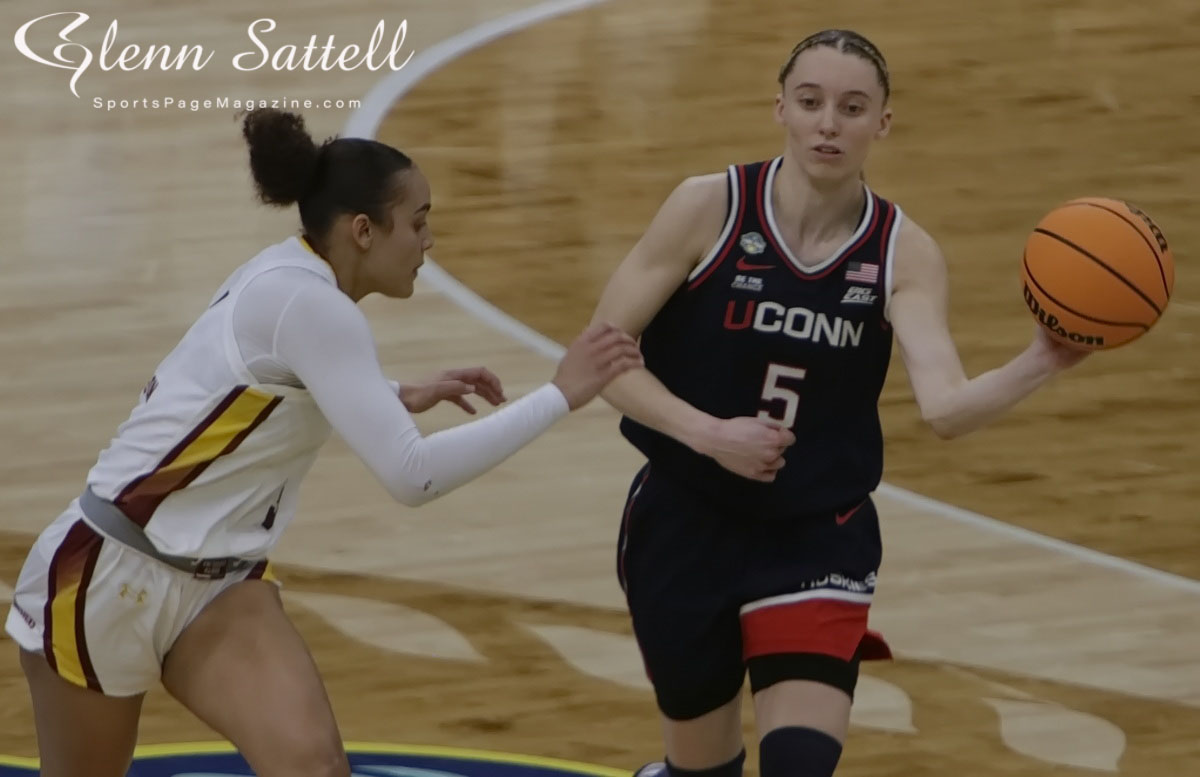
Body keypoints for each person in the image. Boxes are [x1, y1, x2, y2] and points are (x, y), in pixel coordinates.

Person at [5, 108, 643, 777]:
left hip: (220, 583)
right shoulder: (310, 304)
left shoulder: (291, 275)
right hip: (109, 574)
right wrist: (560, 394)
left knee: (316, 769)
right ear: (363, 230)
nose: (429, 241)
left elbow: (255, 384)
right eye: (418, 222)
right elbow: (414, 475)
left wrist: (391, 393)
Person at [590, 29, 1088, 777]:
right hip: (685, 520)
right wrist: (710, 433)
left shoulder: (903, 251)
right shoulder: (709, 206)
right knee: (704, 770)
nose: (829, 124)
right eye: (810, 102)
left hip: (816, 533)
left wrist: (1043, 359)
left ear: (881, 123)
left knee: (800, 764)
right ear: (780, 109)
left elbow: (945, 408)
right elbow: (600, 359)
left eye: (852, 108)